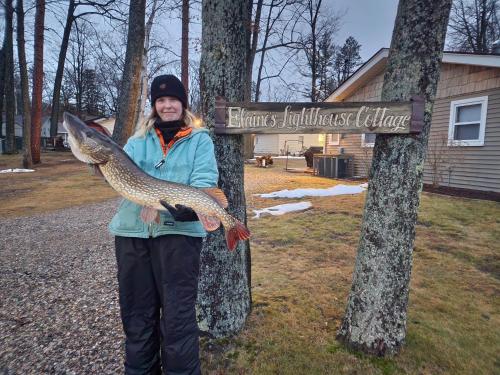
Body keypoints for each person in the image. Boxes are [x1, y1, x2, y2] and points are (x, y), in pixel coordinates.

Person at [109, 74, 218, 375]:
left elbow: (205, 181)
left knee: (177, 317)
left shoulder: (200, 140)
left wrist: (192, 211)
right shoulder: (136, 141)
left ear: (183, 103)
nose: (167, 105)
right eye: (161, 100)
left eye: (173, 100)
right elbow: (120, 177)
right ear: (154, 105)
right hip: (132, 235)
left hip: (179, 237)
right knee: (137, 315)